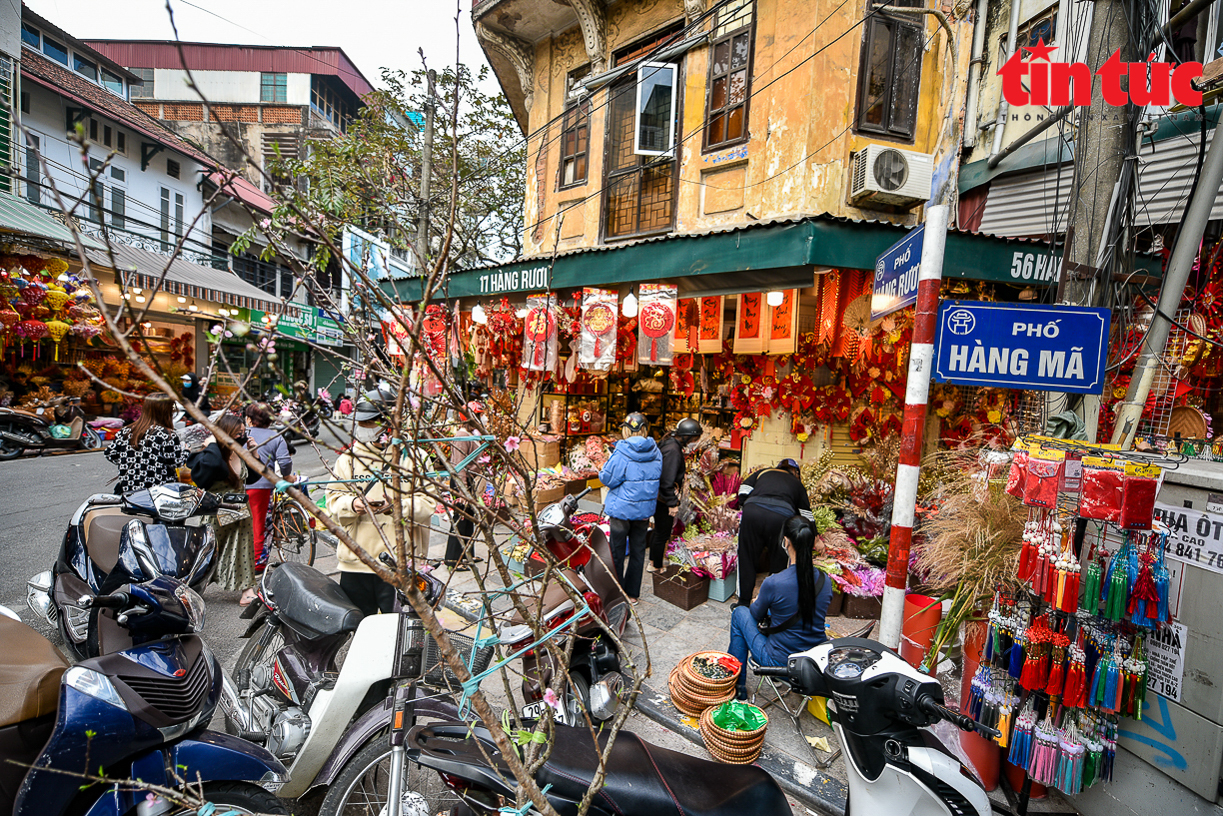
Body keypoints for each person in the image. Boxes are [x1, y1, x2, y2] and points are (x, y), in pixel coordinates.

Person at [326, 397, 433, 616]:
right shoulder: (349, 459)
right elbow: (333, 500)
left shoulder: (414, 458)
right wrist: (352, 504)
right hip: (356, 561)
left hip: (399, 562)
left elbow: (429, 502)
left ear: (387, 424)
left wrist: (398, 506)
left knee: (399, 631)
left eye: (368, 425)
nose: (362, 430)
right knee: (358, 627)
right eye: (361, 425)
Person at [728, 514, 832, 700]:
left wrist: (756, 600)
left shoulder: (775, 582)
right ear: (812, 544)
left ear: (786, 542)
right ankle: (736, 683)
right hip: (812, 662)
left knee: (739, 613)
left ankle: (737, 686)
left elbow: (755, 614)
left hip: (778, 662)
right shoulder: (825, 581)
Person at [187, 414, 259, 605]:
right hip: (216, 512)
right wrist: (212, 445)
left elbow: (251, 478)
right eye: (238, 433)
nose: (242, 437)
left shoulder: (240, 452)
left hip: (240, 509)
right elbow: (208, 471)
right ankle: (192, 585)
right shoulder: (211, 454)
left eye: (244, 433)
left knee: (242, 548)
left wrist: (254, 453)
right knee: (209, 553)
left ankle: (247, 590)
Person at [599, 413, 662, 602]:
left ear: (626, 429)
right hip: (643, 511)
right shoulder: (655, 451)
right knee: (638, 551)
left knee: (616, 552)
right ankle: (632, 594)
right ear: (644, 429)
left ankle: (617, 592)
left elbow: (608, 479)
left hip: (621, 510)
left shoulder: (622, 451)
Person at [735, 458, 813, 605]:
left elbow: (744, 488)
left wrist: (745, 504)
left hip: (753, 511)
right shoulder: (797, 483)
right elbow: (806, 514)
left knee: (747, 556)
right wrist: (814, 535)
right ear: (795, 472)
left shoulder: (763, 472)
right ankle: (770, 605)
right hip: (781, 517)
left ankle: (743, 602)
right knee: (779, 560)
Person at [244, 403, 296, 571]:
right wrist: (288, 477)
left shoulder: (241, 433)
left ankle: (242, 561)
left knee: (242, 523)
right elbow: (285, 461)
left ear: (249, 419)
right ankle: (258, 562)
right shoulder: (275, 436)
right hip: (262, 486)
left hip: (240, 484)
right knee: (260, 524)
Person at [649, 417, 703, 572]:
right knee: (663, 532)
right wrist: (672, 503)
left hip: (660, 495)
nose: (695, 441)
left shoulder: (670, 443)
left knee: (659, 529)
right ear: (688, 436)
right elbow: (667, 479)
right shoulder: (673, 450)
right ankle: (656, 566)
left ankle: (653, 560)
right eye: (695, 438)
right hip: (663, 498)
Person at [104, 393, 187, 494]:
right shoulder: (167, 435)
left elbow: (110, 453)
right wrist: (186, 450)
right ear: (166, 411)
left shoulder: (126, 431)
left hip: (130, 491)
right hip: (158, 492)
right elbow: (176, 462)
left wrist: (128, 461)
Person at [444, 403, 485, 572]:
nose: (479, 418)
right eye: (476, 415)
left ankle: (467, 554)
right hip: (462, 481)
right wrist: (462, 491)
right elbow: (458, 465)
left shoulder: (471, 434)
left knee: (469, 519)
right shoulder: (461, 436)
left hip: (470, 482)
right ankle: (453, 559)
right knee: (460, 520)